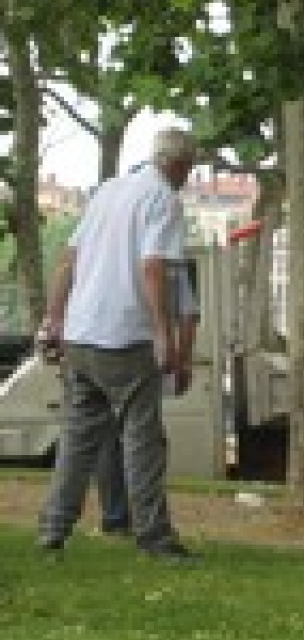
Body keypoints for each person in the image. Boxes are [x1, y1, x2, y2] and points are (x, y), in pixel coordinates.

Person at [36, 127, 200, 561]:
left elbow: (68, 259)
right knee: (143, 440)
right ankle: (154, 537)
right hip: (125, 335)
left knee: (77, 438)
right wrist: (163, 335)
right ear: (179, 165)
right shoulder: (162, 199)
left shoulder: (107, 192)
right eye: (189, 169)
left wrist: (54, 320)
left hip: (81, 332)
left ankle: (53, 528)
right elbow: (153, 266)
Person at [95, 262, 202, 535]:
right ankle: (149, 522)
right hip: (144, 355)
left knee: (109, 439)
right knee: (145, 440)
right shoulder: (169, 262)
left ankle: (115, 517)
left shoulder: (104, 259)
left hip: (99, 349)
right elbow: (188, 316)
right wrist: (183, 360)